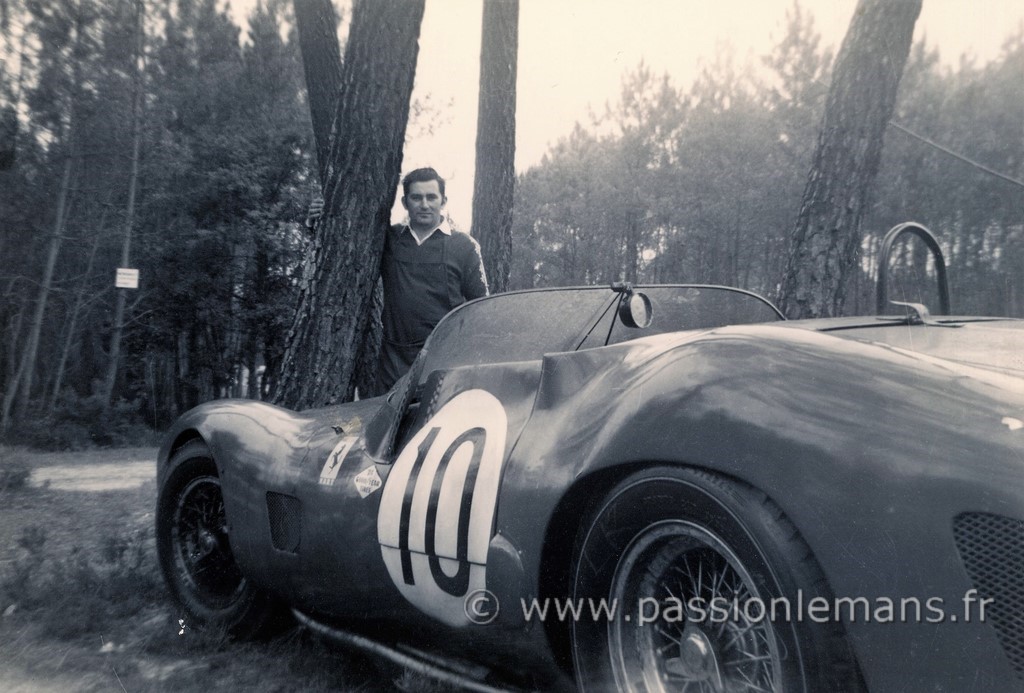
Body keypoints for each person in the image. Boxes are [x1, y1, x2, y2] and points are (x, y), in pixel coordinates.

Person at [307, 167, 488, 393]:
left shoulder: (464, 246)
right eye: (416, 197)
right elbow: (345, 251)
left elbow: (481, 308)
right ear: (404, 202)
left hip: (444, 360)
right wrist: (320, 223)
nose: (424, 205)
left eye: (431, 197)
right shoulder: (388, 239)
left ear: (443, 201)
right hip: (394, 361)